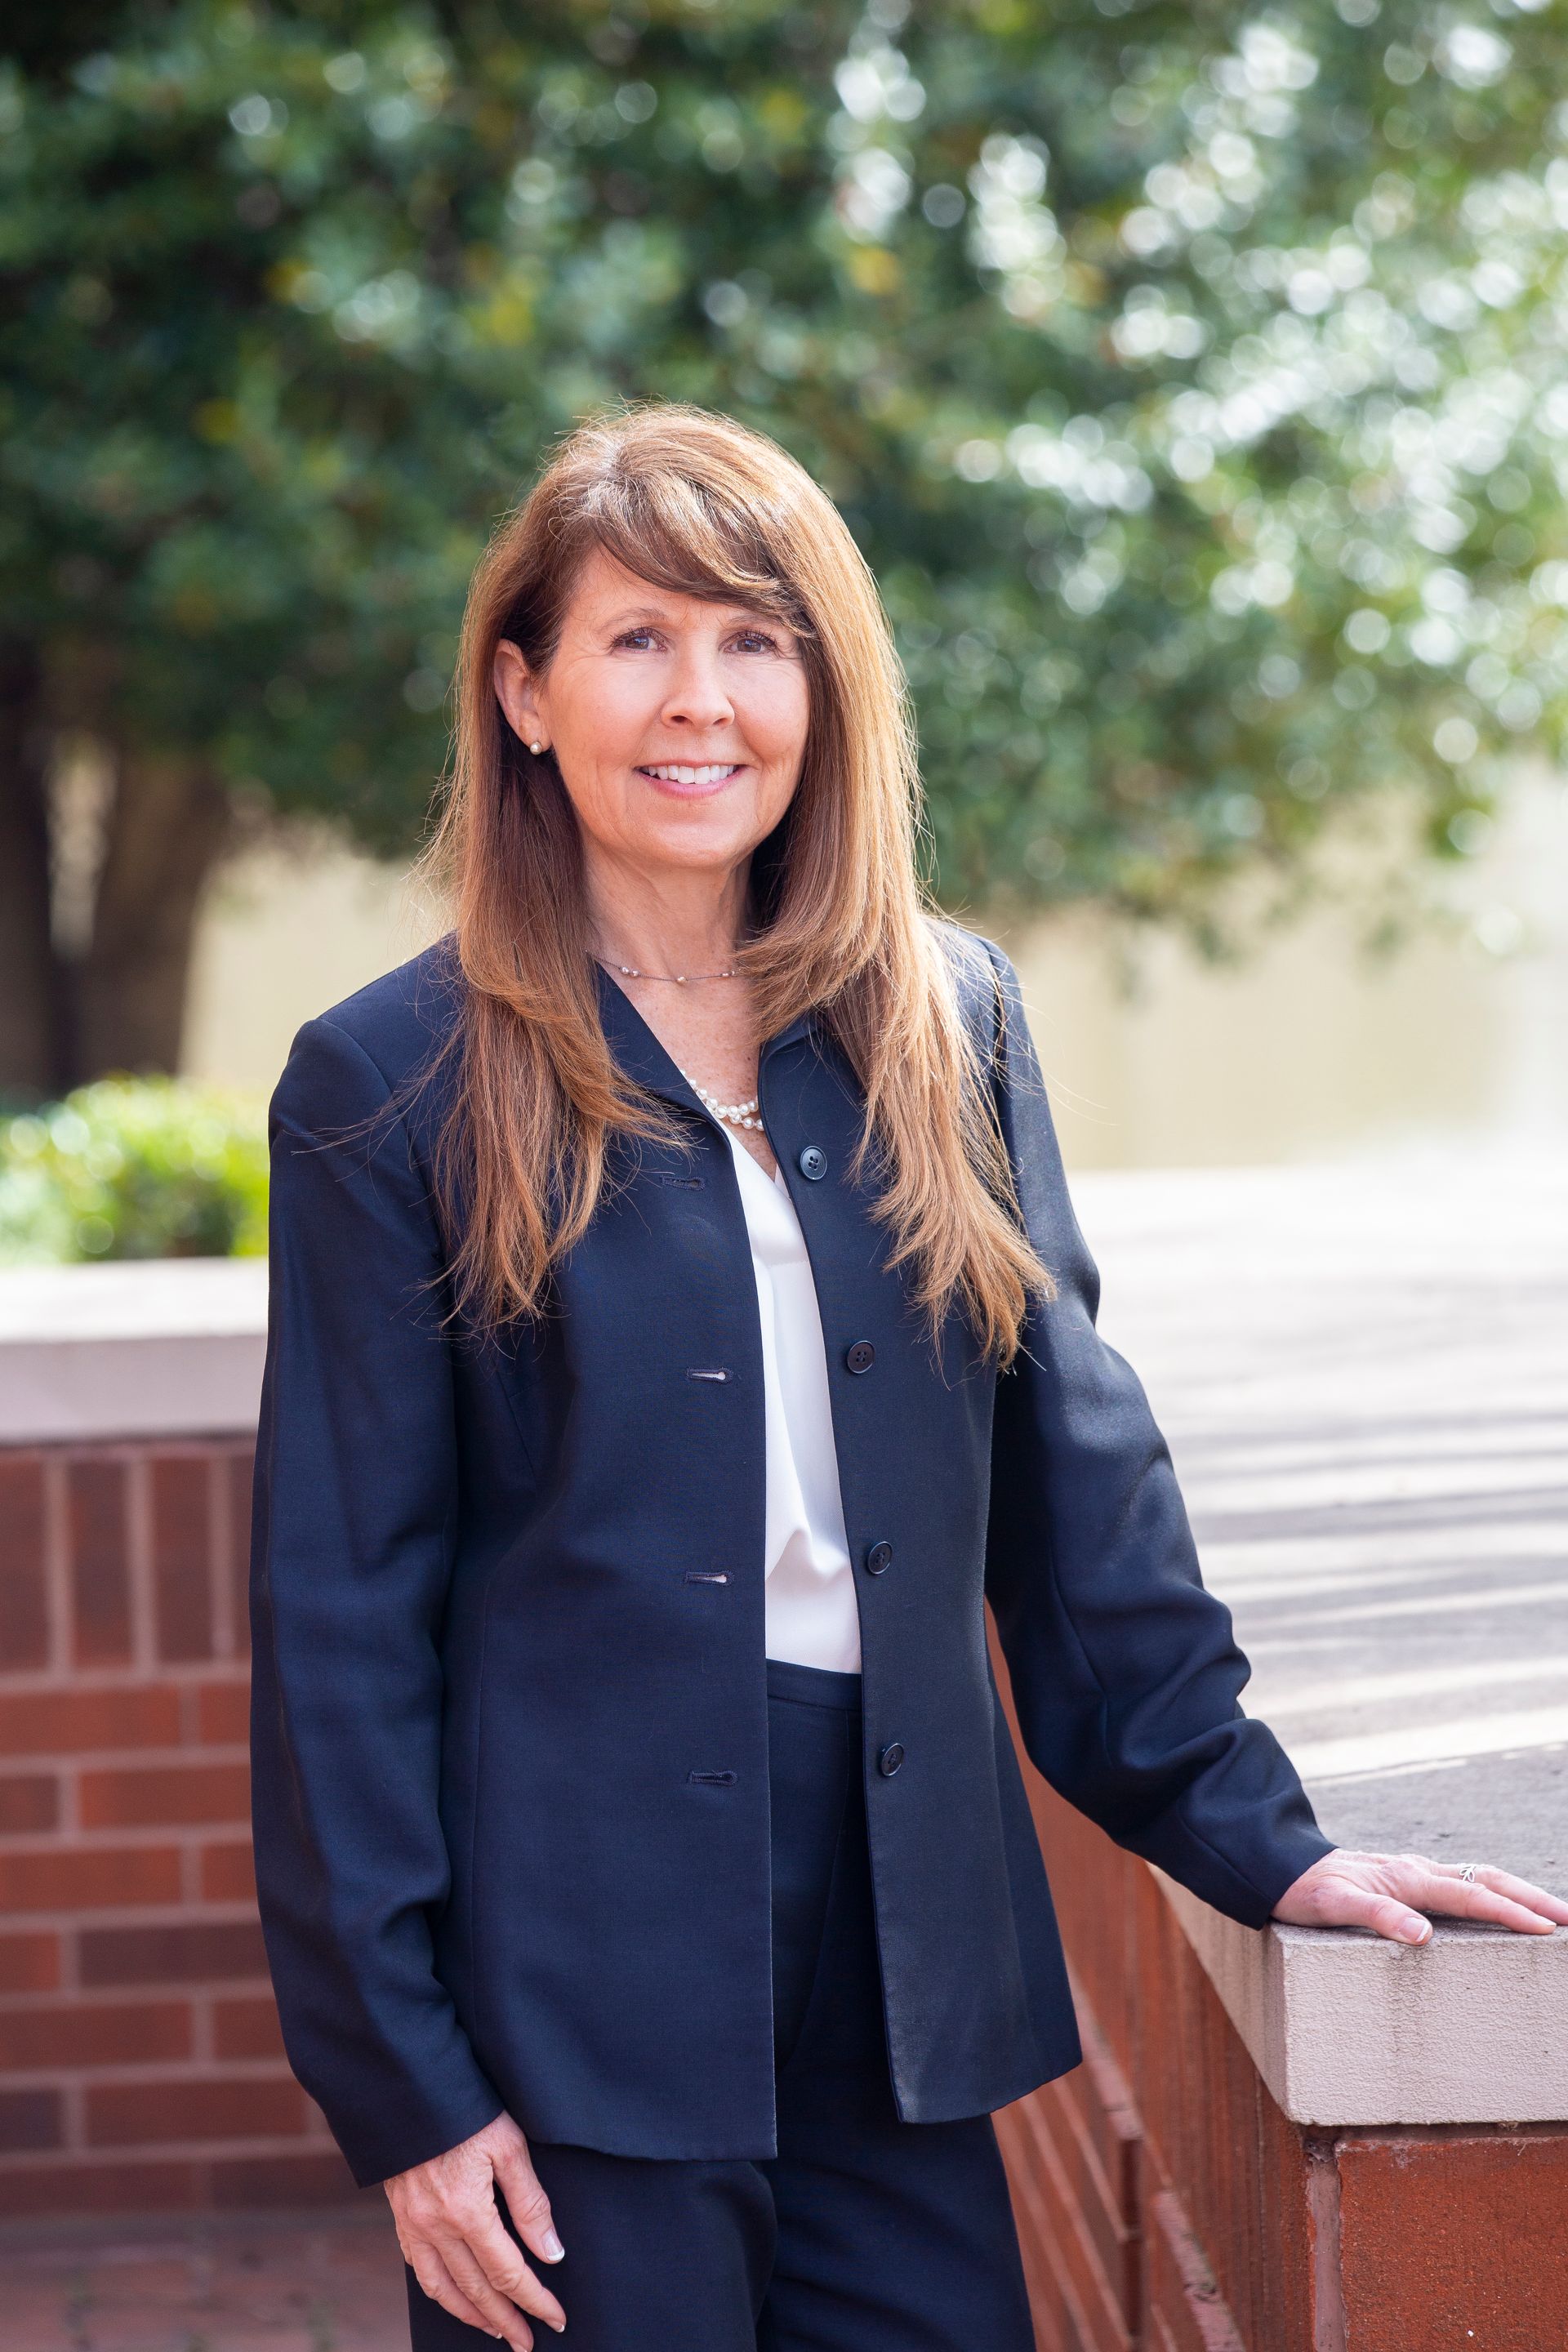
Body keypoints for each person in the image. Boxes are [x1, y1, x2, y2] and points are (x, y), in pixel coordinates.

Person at [250, 403, 1568, 2352]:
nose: (702, 704)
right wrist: (412, 2096)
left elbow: (1073, 1468)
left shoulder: (944, 1019)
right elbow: (339, 1619)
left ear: (824, 687)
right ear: (523, 694)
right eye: (638, 642)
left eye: (755, 641)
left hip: (902, 1952)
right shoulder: (395, 1084)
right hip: (574, 1966)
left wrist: (1261, 1837)